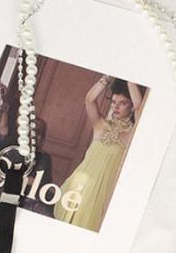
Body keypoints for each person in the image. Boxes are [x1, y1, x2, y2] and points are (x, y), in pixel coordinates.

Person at [53, 77, 143, 231]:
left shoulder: (131, 134)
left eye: (122, 103)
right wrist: (106, 78)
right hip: (80, 184)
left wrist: (130, 79)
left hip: (102, 193)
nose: (116, 107)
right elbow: (89, 100)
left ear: (131, 107)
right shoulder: (101, 125)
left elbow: (140, 107)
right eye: (113, 102)